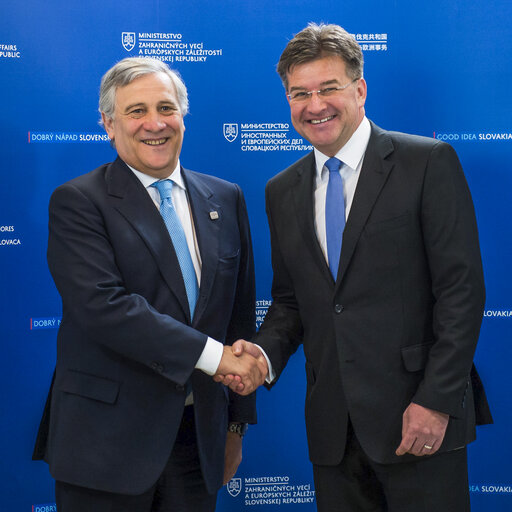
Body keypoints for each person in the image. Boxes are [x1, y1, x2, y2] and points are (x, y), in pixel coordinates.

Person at [217, 23, 492, 511]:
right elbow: (290, 303)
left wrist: (435, 402)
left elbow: (462, 293)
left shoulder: (427, 163)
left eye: (328, 88)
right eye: (299, 93)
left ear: (359, 89)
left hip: (419, 420)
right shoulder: (281, 190)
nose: (314, 105)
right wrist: (261, 356)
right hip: (333, 431)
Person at [32, 57, 267, 512]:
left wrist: (235, 429)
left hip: (198, 443)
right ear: (108, 124)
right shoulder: (79, 202)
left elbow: (239, 316)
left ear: (183, 116)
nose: (154, 124)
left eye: (166, 108)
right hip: (106, 446)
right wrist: (217, 357)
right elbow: (106, 308)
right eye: (136, 111)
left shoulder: (225, 197)